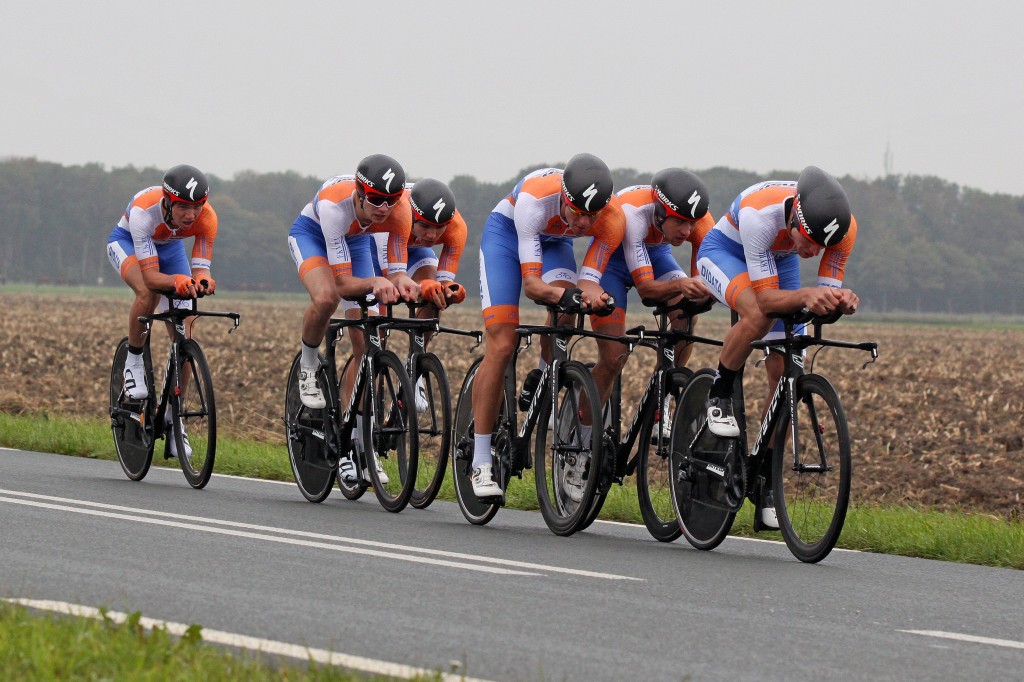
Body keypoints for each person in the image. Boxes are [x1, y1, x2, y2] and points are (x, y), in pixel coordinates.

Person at [695, 165, 859, 529]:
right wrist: (805, 294)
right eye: (809, 241)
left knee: (787, 377)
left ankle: (766, 477)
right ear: (794, 222)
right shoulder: (761, 215)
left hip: (776, 261)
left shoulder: (841, 232)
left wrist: (839, 301)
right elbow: (769, 301)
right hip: (727, 253)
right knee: (757, 313)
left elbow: (823, 295)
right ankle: (719, 392)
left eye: (823, 247)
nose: (815, 252)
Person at [470, 153, 624, 499]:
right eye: (577, 212)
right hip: (507, 239)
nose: (584, 223)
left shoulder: (613, 219)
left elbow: (589, 282)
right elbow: (534, 287)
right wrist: (568, 296)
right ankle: (480, 462)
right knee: (503, 344)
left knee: (570, 307)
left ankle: (543, 374)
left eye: (591, 216)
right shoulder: (535, 203)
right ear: (564, 198)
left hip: (555, 243)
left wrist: (595, 298)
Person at [287, 154, 420, 483]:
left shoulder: (400, 209)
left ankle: (359, 441)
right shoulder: (336, 208)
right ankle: (308, 364)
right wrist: (377, 281)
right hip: (313, 236)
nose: (383, 208)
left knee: (371, 343)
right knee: (327, 297)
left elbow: (398, 271)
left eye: (390, 201)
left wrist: (409, 285)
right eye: (375, 199)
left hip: (356, 241)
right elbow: (345, 284)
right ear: (359, 193)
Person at [106, 164, 218, 458]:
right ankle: (133, 362)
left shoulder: (208, 219)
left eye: (197, 207)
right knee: (148, 294)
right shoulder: (145, 213)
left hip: (169, 249)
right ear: (168, 201)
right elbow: (153, 278)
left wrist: (202, 281)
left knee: (186, 324)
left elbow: (200, 269)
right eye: (183, 207)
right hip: (128, 243)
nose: (191, 215)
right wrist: (178, 280)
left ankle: (172, 414)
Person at [588, 169, 715, 424]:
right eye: (679, 221)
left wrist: (706, 293)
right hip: (614, 264)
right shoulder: (634, 213)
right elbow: (646, 289)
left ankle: (663, 399)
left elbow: (701, 282)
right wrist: (683, 285)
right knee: (613, 357)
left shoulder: (701, 221)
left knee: (685, 315)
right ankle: (583, 433)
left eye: (691, 223)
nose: (687, 230)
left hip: (656, 256)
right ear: (659, 211)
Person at [370, 178, 468, 410]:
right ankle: (367, 408)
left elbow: (442, 282)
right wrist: (422, 285)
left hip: (414, 251)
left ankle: (415, 369)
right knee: (378, 330)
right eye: (424, 225)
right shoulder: (398, 214)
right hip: (378, 249)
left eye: (438, 228)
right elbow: (396, 277)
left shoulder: (457, 229)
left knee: (434, 297)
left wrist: (448, 292)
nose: (432, 235)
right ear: (412, 216)